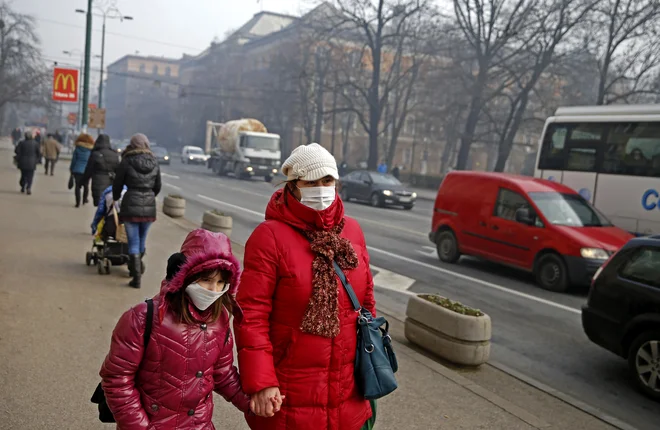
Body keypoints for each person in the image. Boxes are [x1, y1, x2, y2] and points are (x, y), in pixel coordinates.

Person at [235, 142, 376, 430]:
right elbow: (250, 316)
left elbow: (366, 302)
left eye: (327, 180)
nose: (321, 188)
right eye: (311, 181)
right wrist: (261, 382)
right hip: (291, 388)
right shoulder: (270, 237)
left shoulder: (353, 231)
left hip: (347, 388)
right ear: (294, 185)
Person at [99, 229, 252, 429]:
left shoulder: (220, 319)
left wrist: (251, 403)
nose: (214, 290)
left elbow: (222, 373)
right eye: (206, 280)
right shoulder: (142, 318)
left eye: (221, 282)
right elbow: (117, 379)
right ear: (185, 275)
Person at [112, 133, 161, 288]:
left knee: (133, 241)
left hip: (130, 204)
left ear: (132, 145)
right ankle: (137, 271)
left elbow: (117, 183)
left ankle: (136, 277)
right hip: (149, 207)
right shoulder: (154, 161)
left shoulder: (127, 160)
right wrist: (149, 196)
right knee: (141, 240)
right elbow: (157, 186)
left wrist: (114, 197)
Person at [83, 134, 120, 206]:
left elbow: (89, 170)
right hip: (110, 184)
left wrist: (83, 181)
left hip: (97, 183)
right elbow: (118, 171)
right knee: (108, 205)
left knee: (99, 204)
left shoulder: (95, 154)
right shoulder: (114, 155)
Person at [69, 133, 95, 207]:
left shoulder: (77, 149)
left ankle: (77, 203)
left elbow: (74, 160)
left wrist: (71, 169)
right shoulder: (91, 150)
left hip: (77, 170)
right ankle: (84, 200)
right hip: (87, 170)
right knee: (86, 185)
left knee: (77, 186)